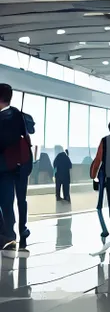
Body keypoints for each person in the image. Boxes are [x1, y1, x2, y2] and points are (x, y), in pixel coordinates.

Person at [0, 83, 35, 251]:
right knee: (21, 199)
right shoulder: (19, 115)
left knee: (6, 202)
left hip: (5, 167)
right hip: (22, 164)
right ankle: (23, 229)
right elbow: (29, 133)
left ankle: (10, 235)